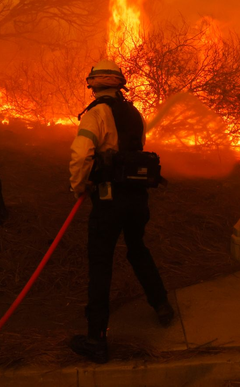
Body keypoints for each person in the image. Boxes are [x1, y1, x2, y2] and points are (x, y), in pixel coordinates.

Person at [68, 59, 174, 364]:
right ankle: (162, 304)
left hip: (109, 200)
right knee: (137, 248)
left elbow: (81, 154)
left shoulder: (96, 114)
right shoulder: (135, 115)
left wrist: (78, 186)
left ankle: (96, 339)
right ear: (120, 85)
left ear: (93, 85)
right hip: (137, 200)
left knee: (100, 263)